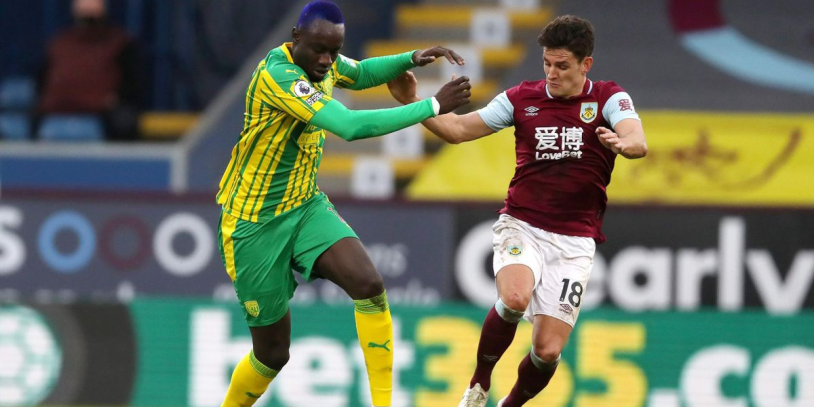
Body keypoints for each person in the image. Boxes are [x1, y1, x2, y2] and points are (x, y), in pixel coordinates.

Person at [214, 2, 471, 407]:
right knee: (272, 354)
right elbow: (350, 126)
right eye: (319, 50)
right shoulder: (279, 76)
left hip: (304, 206)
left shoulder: (324, 62)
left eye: (333, 51)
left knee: (368, 284)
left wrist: (411, 57)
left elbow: (361, 72)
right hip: (253, 223)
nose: (326, 60)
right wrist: (433, 105)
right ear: (295, 38)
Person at [387, 15, 647, 407]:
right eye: (547, 63)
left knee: (548, 352)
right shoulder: (520, 98)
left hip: (575, 242)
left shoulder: (609, 98)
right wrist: (412, 102)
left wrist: (625, 145)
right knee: (513, 298)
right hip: (522, 224)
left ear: (586, 64)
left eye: (562, 65)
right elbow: (457, 130)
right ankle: (478, 384)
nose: (551, 73)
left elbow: (637, 139)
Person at [38, 0, 143, 141]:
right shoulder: (59, 43)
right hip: (57, 111)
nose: (88, 10)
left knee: (124, 120)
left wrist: (113, 100)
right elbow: (42, 80)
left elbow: (132, 82)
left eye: (93, 6)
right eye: (84, 6)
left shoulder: (120, 43)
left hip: (102, 115)